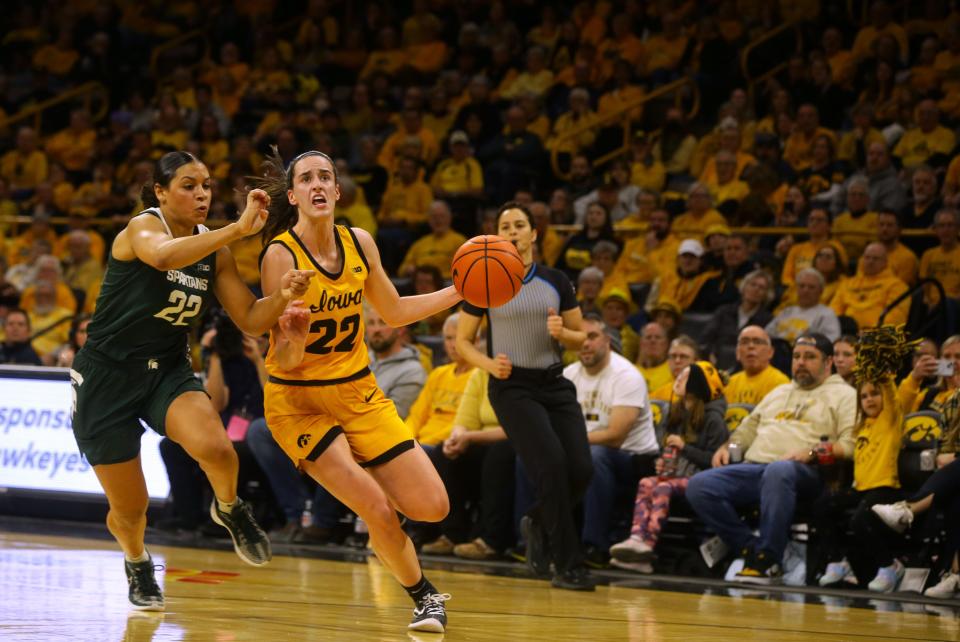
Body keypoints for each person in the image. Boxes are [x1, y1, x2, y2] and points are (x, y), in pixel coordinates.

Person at [69, 151, 316, 611]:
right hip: (106, 377)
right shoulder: (142, 228)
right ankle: (138, 560)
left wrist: (281, 296)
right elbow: (162, 258)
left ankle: (228, 508)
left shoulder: (214, 252)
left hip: (166, 370)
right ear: (160, 192)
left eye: (206, 185)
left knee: (218, 449)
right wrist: (238, 230)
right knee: (130, 509)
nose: (201, 194)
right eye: (188, 185)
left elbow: (249, 319)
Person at [255, 149, 461, 633]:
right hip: (298, 400)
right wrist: (298, 338)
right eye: (306, 178)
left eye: (325, 175)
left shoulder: (360, 242)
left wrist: (459, 292)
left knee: (433, 506)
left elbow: (392, 311)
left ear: (337, 191)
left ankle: (388, 535)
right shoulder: (281, 255)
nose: (317, 184)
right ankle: (425, 596)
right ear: (295, 196)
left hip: (357, 392)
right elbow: (282, 359)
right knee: (375, 507)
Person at [456, 201, 595, 591]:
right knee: (550, 463)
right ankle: (566, 565)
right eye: (505, 226)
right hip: (512, 386)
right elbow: (463, 342)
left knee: (582, 468)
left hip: (554, 382)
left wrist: (562, 335)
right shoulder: (484, 281)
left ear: (534, 234)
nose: (512, 231)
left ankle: (536, 517)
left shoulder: (556, 280)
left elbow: (580, 337)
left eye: (519, 225)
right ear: (496, 237)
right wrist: (488, 365)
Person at [686, 333, 857, 583]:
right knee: (699, 485)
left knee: (779, 471)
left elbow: (850, 445)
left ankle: (768, 558)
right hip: (757, 469)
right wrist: (728, 446)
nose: (800, 362)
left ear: (828, 362)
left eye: (810, 357)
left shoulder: (845, 395)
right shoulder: (779, 392)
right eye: (797, 357)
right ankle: (749, 548)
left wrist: (810, 453)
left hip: (806, 474)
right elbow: (745, 430)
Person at [814, 325, 920, 593]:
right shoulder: (861, 426)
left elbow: (895, 393)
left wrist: (878, 363)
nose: (869, 399)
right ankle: (838, 562)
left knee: (860, 520)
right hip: (860, 489)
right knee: (823, 507)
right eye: (863, 395)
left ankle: (889, 566)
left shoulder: (890, 420)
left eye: (874, 394)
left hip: (885, 489)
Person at [609, 361, 728, 572]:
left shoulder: (714, 420)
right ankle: (636, 540)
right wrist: (660, 462)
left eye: (686, 376)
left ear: (699, 384)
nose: (679, 378)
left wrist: (685, 448)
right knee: (647, 482)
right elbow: (661, 448)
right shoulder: (674, 412)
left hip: (701, 479)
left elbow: (715, 462)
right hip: (675, 475)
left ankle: (647, 545)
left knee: (663, 488)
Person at [565, 314, 660, 564]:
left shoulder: (626, 375)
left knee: (595, 456)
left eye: (592, 336)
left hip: (634, 460)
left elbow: (616, 436)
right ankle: (532, 542)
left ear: (607, 340)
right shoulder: (568, 375)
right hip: (585, 450)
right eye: (580, 337)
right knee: (528, 455)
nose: (585, 343)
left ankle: (594, 545)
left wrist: (569, 442)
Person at [766, 268, 842, 344]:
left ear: (821, 291)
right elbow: (766, 335)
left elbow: (831, 342)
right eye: (802, 286)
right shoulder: (787, 311)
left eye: (811, 287)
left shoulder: (827, 314)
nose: (805, 290)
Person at [724, 326, 790, 406]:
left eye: (757, 342)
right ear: (737, 353)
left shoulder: (780, 382)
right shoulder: (730, 383)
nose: (751, 346)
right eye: (745, 342)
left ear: (770, 352)